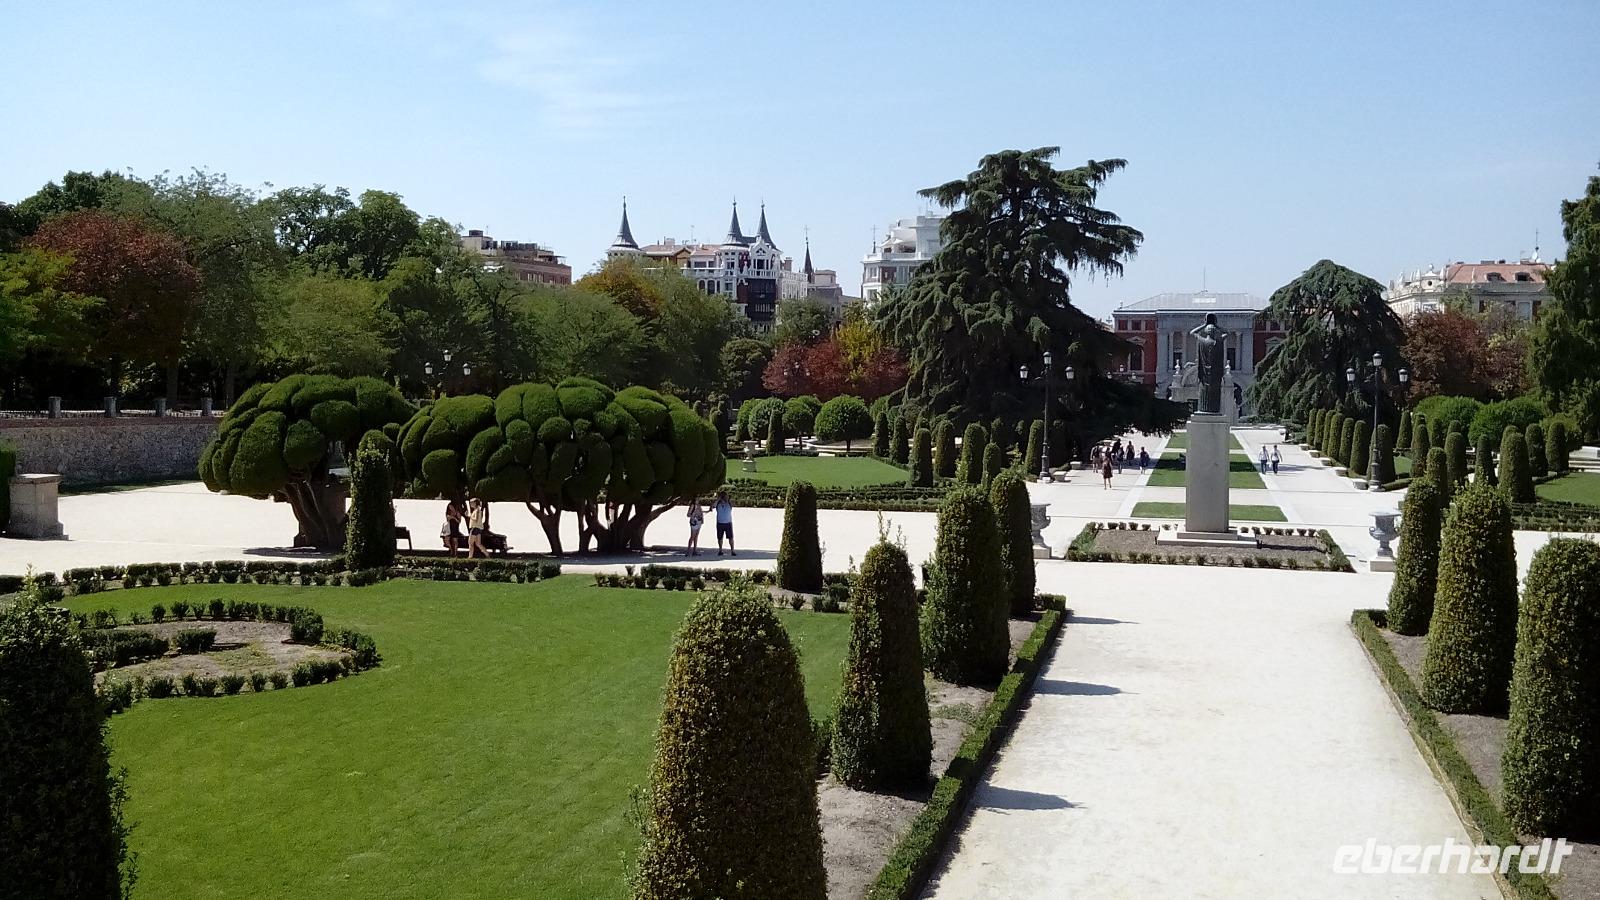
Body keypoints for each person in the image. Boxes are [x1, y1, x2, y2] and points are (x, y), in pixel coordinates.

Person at [711, 489, 736, 556]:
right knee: (720, 538)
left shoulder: (729, 503)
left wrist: (727, 500)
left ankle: (732, 550)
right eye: (724, 496)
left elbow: (734, 504)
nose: (726, 498)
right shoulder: (718, 504)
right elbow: (712, 507)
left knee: (731, 537)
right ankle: (720, 550)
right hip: (720, 523)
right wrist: (718, 499)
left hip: (728, 523)